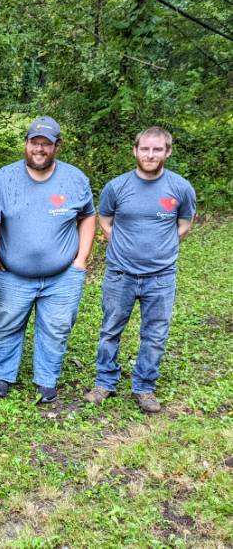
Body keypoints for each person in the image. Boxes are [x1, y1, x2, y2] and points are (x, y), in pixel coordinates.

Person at [85, 126, 195, 414]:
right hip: (120, 274)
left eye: (157, 149)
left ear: (167, 152)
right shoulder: (117, 187)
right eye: (145, 148)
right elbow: (105, 219)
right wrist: (122, 245)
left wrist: (159, 248)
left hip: (161, 277)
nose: (150, 154)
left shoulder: (180, 188)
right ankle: (104, 382)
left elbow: (183, 225)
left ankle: (145, 388)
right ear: (135, 150)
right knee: (110, 330)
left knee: (155, 335)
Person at [0, 116, 96, 403]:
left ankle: (46, 379)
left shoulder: (75, 179)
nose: (39, 149)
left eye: (46, 144)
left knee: (57, 327)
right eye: (34, 143)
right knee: (6, 324)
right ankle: (2, 375)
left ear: (56, 147)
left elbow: (87, 216)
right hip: (12, 272)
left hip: (62, 275)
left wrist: (81, 259)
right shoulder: (2, 179)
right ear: (26, 144)